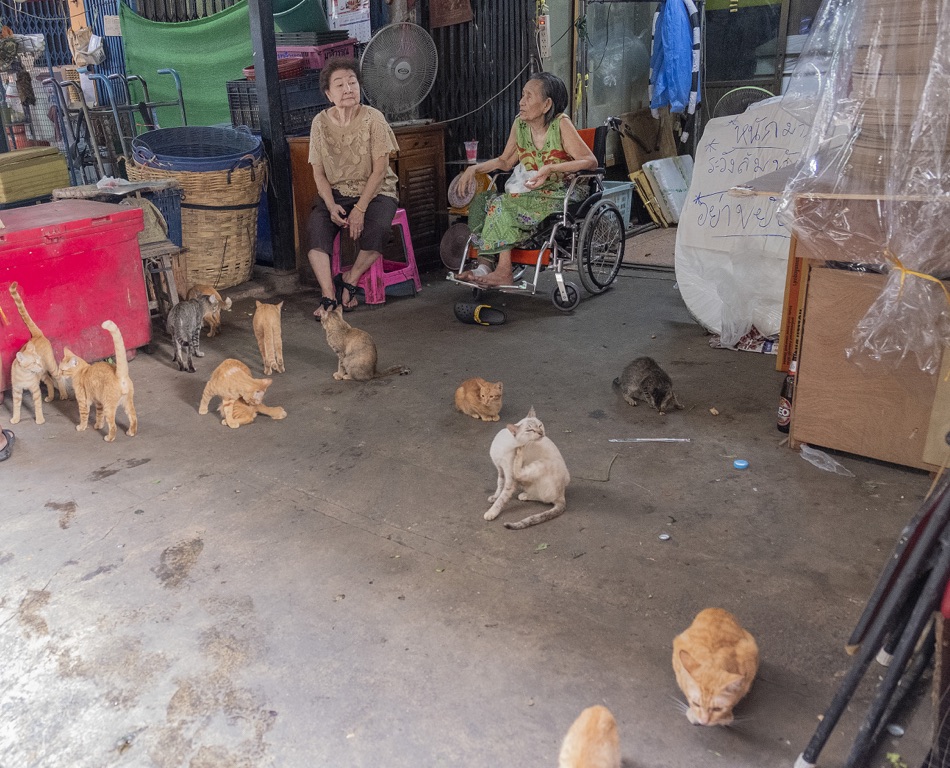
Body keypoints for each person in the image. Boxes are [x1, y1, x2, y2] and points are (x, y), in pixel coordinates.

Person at [455, 72, 597, 286]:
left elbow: (590, 161)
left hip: (561, 191)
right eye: (522, 95)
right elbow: (505, 161)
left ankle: (504, 272)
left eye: (529, 96)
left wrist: (550, 168)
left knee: (502, 205)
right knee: (481, 203)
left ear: (547, 104)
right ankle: (484, 267)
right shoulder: (520, 125)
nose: (521, 101)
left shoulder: (560, 124)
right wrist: (474, 169)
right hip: (530, 190)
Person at [307, 59, 400, 317]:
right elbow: (318, 173)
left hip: (376, 190)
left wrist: (360, 208)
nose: (348, 88)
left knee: (378, 229)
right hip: (336, 192)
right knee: (316, 228)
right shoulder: (319, 123)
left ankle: (350, 279)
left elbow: (380, 170)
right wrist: (330, 205)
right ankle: (328, 295)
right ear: (329, 94)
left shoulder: (373, 118)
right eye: (340, 85)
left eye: (352, 82)